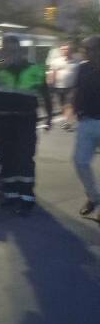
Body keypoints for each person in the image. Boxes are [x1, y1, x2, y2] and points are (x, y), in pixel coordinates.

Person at [0, 34, 52, 213]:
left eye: (13, 50)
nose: (10, 53)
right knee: (7, 159)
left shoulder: (34, 69)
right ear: (2, 50)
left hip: (25, 121)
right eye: (6, 50)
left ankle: (27, 198)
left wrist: (49, 117)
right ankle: (11, 195)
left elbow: (45, 94)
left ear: (20, 51)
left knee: (24, 160)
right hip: (3, 121)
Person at [72, 36, 100, 218]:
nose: (84, 52)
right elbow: (78, 90)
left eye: (87, 49)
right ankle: (94, 197)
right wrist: (76, 110)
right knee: (80, 161)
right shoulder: (83, 68)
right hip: (87, 121)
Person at [48, 43, 79, 131]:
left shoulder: (77, 61)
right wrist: (50, 85)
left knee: (69, 104)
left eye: (67, 49)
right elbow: (52, 74)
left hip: (72, 87)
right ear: (60, 51)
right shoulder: (56, 61)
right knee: (62, 105)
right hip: (59, 87)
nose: (65, 51)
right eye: (63, 49)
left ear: (71, 50)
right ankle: (67, 119)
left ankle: (67, 122)